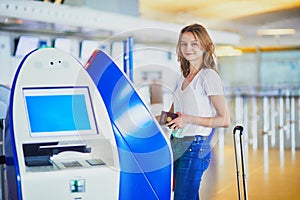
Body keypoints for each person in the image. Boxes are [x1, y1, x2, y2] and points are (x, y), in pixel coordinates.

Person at [164, 23, 230, 200]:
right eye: (184, 44)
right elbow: (174, 114)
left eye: (194, 43)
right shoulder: (182, 77)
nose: (188, 48)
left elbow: (224, 119)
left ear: (205, 46)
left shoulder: (209, 76)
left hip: (195, 146)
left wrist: (188, 119)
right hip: (176, 145)